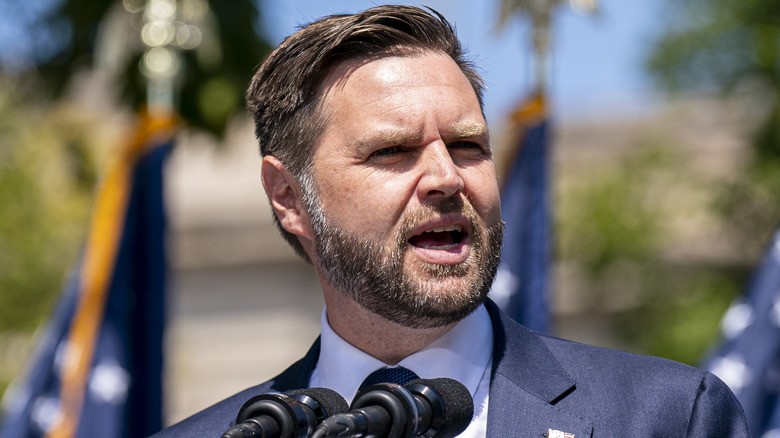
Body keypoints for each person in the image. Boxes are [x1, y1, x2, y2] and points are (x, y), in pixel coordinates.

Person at [153, 5, 748, 437]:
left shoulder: (670, 417)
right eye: (392, 152)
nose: (447, 177)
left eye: (468, 146)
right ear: (289, 196)